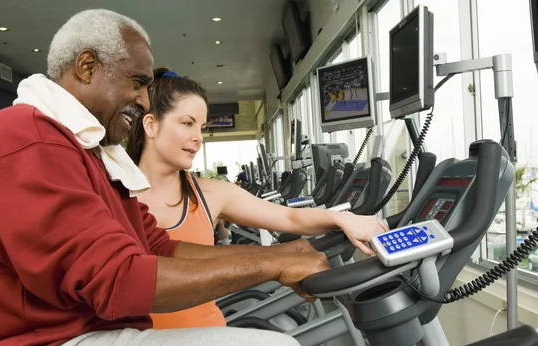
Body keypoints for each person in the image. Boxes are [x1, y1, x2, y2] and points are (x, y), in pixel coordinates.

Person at [0, 9, 341, 346]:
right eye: (138, 83)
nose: (143, 99)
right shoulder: (24, 138)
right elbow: (116, 279)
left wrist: (282, 257)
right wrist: (273, 263)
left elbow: (158, 247)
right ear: (87, 67)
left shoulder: (89, 155)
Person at [126, 68, 388, 330]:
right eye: (187, 123)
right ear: (151, 125)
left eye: (201, 127)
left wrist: (342, 218)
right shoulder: (112, 198)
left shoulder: (210, 194)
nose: (198, 138)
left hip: (208, 339)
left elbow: (289, 216)